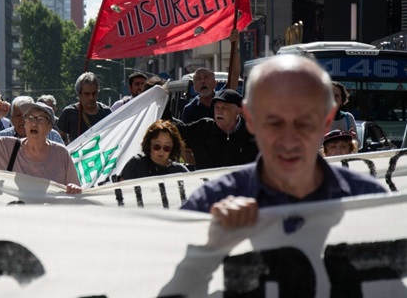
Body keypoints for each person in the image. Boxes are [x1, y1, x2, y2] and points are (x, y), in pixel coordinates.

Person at [182, 55, 387, 227]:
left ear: (326, 121)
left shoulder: (367, 199)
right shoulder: (207, 204)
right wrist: (213, 241)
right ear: (251, 121)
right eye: (274, 123)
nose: (289, 139)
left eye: (304, 122)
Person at [0, 101, 82, 193]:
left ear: (50, 126)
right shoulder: (8, 147)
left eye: (40, 119)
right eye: (29, 118)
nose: (34, 123)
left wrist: (73, 188)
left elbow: (75, 190)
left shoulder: (60, 154)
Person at [175, 89, 258, 170]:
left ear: (239, 110)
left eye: (225, 107)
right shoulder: (203, 129)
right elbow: (174, 130)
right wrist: (163, 101)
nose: (219, 111)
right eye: (217, 107)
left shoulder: (252, 136)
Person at [118, 120, 189, 181]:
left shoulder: (180, 171)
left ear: (173, 147)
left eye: (167, 147)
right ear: (149, 144)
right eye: (157, 146)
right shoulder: (136, 164)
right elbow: (120, 191)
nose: (161, 151)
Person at [57, 72, 112, 143]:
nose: (91, 97)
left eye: (94, 93)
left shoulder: (106, 112)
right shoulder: (68, 113)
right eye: (87, 94)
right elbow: (60, 137)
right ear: (79, 94)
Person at [0, 96, 65, 144]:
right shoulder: (1, 139)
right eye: (18, 115)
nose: (22, 120)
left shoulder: (52, 136)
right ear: (11, 118)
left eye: (27, 116)